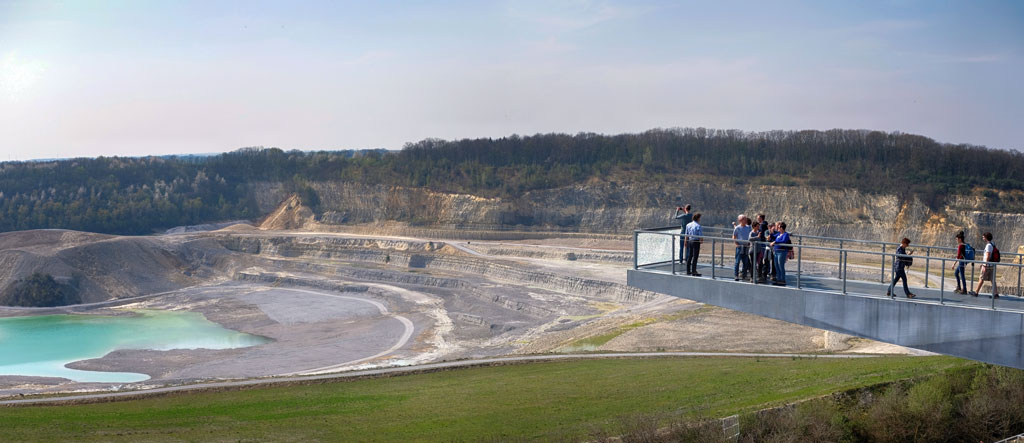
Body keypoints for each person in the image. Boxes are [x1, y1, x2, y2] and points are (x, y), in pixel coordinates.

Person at [970, 232, 1000, 299]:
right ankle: (996, 294)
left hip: (988, 266)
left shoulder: (988, 245)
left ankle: (976, 292)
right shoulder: (992, 244)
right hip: (992, 265)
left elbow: (988, 256)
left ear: (986, 238)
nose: (982, 238)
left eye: (983, 237)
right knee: (992, 280)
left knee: (981, 278)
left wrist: (984, 265)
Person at [733, 215, 752, 281]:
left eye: (746, 219)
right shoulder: (737, 228)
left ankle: (744, 275)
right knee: (737, 262)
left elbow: (750, 236)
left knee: (745, 262)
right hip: (739, 247)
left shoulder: (748, 228)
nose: (746, 220)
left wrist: (749, 243)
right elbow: (734, 236)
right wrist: (736, 244)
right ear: (740, 220)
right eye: (744, 219)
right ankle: (736, 275)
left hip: (746, 247)